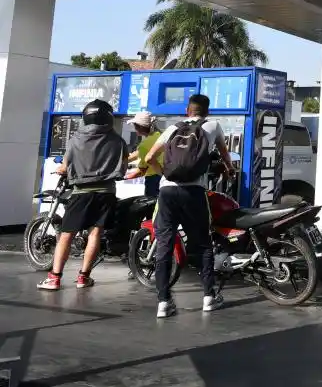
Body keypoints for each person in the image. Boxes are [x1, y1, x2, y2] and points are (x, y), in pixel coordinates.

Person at [144, 94, 234, 318]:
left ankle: (164, 302)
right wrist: (230, 170)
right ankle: (208, 297)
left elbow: (149, 158)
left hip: (167, 192)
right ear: (207, 111)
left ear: (188, 111)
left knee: (164, 244)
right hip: (193, 192)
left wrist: (163, 172)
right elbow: (225, 155)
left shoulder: (173, 127)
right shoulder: (213, 126)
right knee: (203, 244)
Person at [37, 100, 128, 291]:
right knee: (95, 233)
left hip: (81, 192)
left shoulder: (75, 139)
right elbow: (123, 168)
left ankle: (54, 278)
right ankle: (83, 277)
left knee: (66, 235)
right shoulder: (118, 141)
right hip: (106, 193)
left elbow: (66, 165)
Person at [124, 112, 163, 198]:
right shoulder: (159, 135)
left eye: (135, 125)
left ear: (140, 127)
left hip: (153, 180)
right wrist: (122, 161)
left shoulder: (145, 144)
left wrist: (125, 178)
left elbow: (142, 171)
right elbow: (138, 153)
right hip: (164, 178)